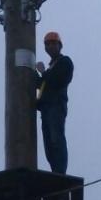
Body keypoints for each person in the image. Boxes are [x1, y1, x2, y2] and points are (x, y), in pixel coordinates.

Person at [35, 31, 74, 175]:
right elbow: (43, 84)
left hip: (56, 106)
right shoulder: (52, 67)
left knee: (56, 139)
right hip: (46, 108)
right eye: (47, 44)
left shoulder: (65, 62)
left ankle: (60, 172)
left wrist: (43, 72)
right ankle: (56, 171)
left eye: (53, 43)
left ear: (60, 45)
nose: (50, 46)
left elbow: (57, 81)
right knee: (49, 144)